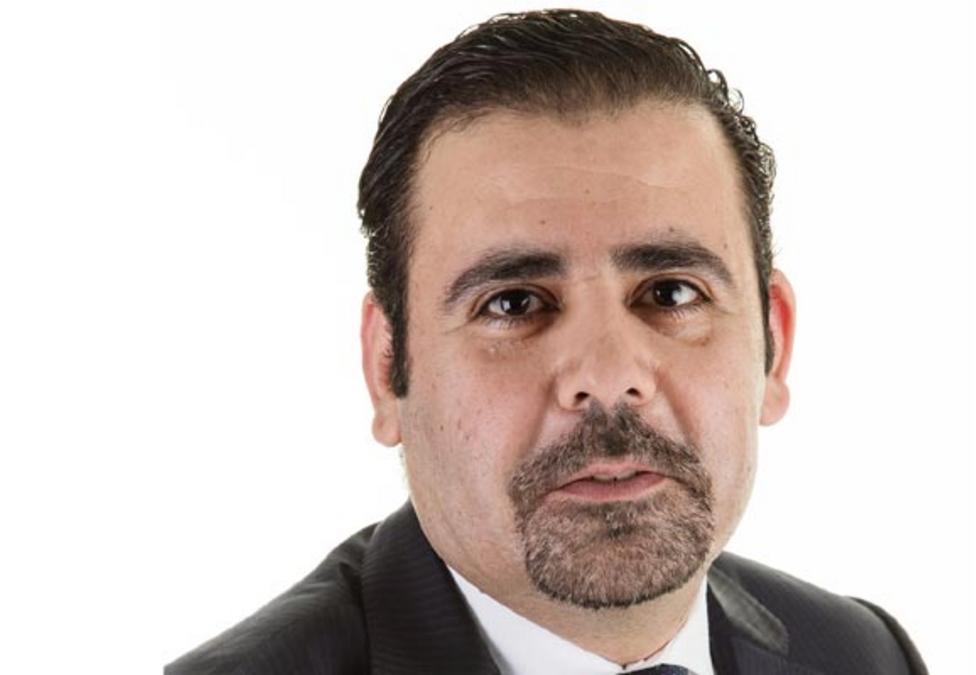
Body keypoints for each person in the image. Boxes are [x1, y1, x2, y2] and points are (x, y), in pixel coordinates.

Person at [168, 9, 926, 675]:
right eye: (514, 303)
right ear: (387, 367)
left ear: (773, 345)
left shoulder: (863, 654)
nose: (609, 375)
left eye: (670, 293)